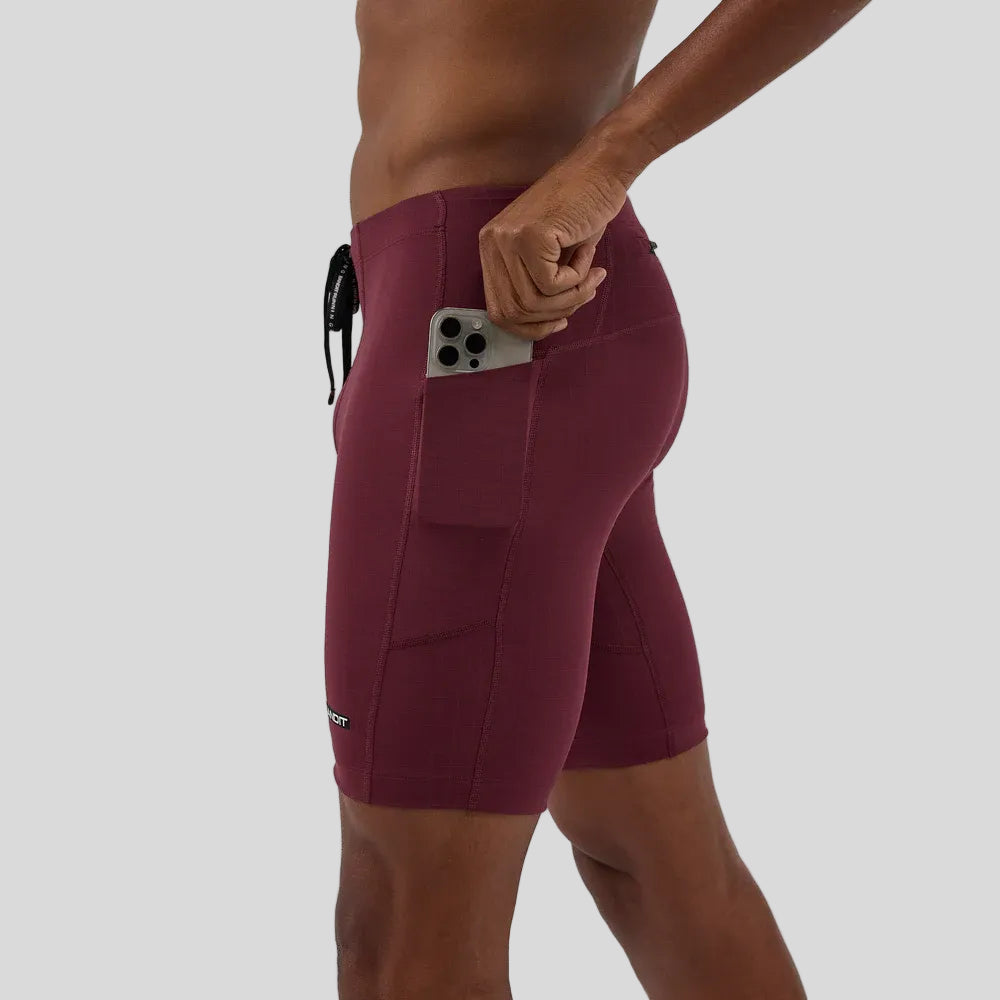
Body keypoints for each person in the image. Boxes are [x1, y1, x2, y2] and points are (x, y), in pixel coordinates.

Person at [324, 2, 869, 996]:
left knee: (398, 919)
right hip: (494, 331)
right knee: (655, 866)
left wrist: (609, 159)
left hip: (494, 325)